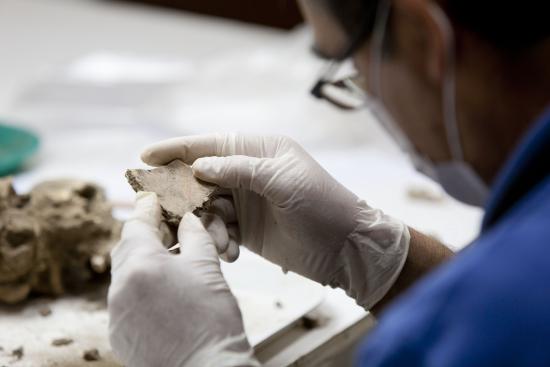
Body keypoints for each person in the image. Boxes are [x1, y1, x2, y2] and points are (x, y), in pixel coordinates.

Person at [107, 0, 550, 365]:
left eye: (349, 68)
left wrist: (201, 357)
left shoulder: (498, 321)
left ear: (423, 36)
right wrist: (379, 259)